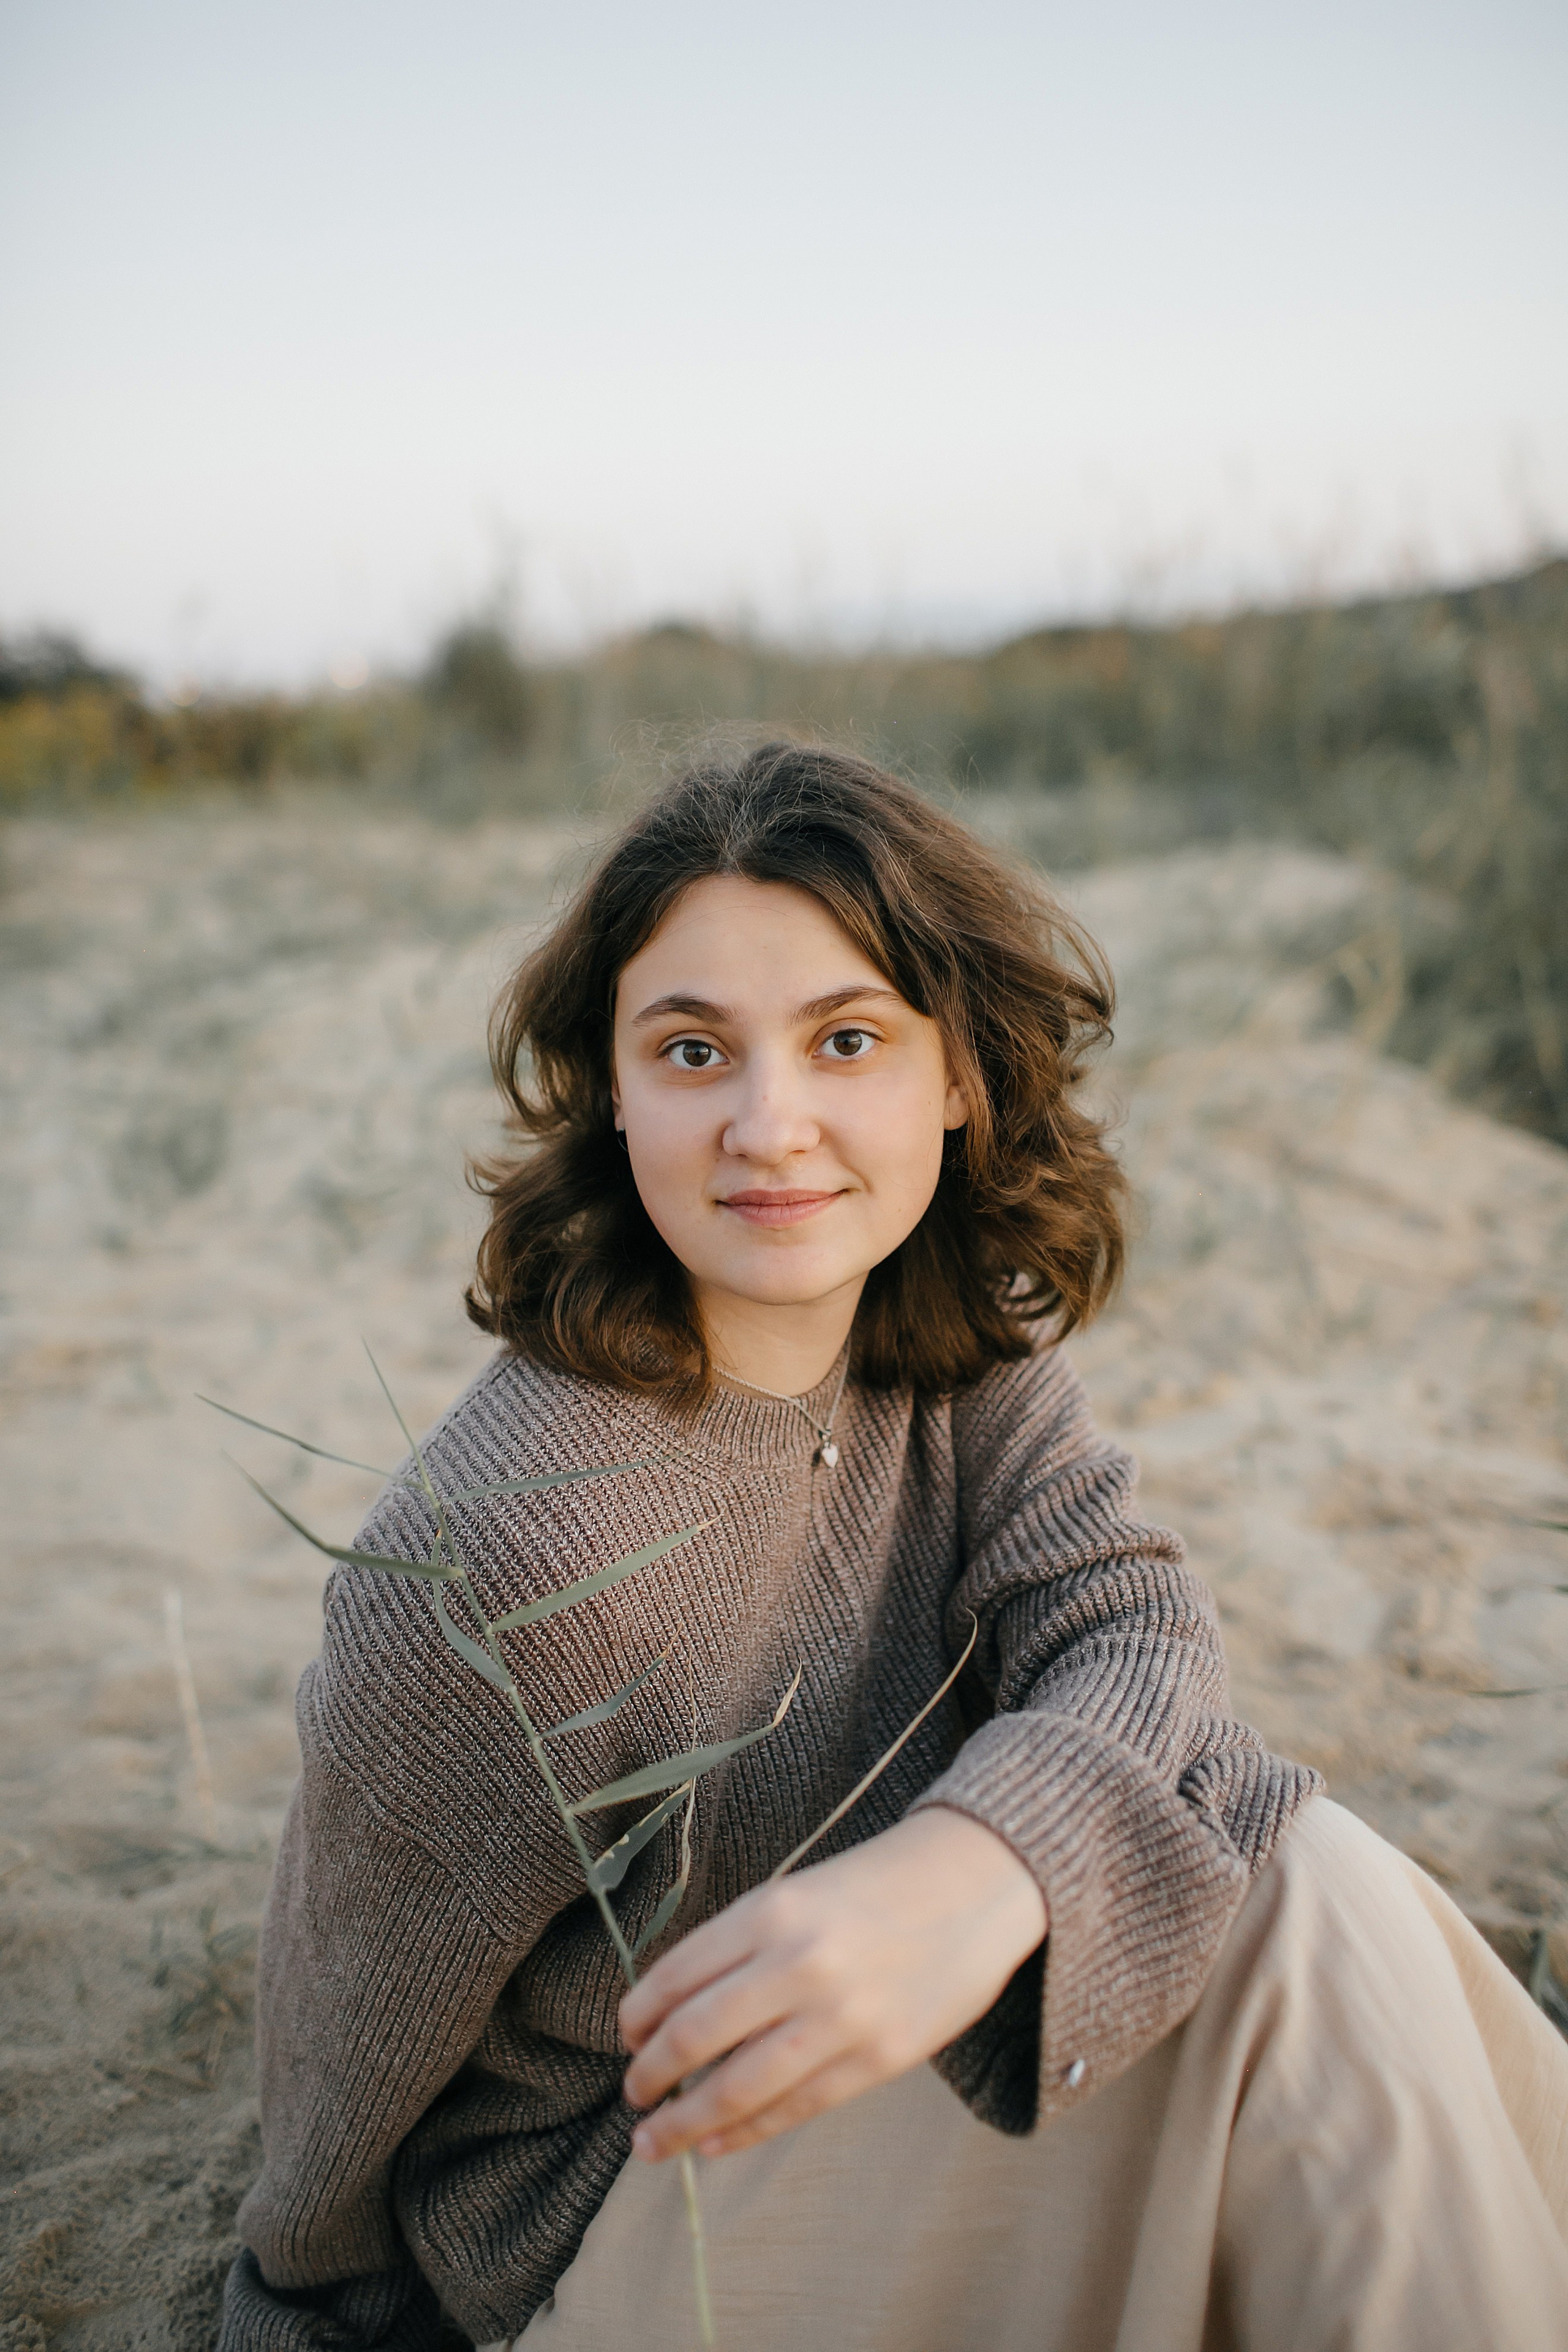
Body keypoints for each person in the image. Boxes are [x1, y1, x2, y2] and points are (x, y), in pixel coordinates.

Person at [221, 744, 1568, 2352]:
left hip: (887, 2084)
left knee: (1297, 1887)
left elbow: (1131, 1618)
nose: (769, 1125)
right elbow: (340, 2073)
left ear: (953, 1074)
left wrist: (981, 1865)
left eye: (844, 1039)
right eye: (694, 1050)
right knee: (1300, 1905)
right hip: (626, 2233)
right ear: (616, 1088)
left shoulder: (945, 1339)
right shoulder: (516, 1553)